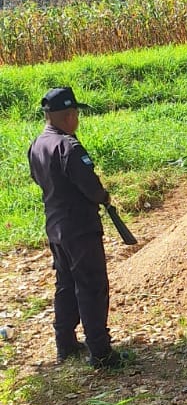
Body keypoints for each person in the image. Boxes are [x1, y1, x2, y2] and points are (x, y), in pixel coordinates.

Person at [28, 87, 125, 369]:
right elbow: (91, 189)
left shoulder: (37, 145)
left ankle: (66, 344)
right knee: (92, 286)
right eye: (76, 114)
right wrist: (105, 197)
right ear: (69, 116)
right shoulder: (68, 147)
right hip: (80, 228)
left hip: (56, 226)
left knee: (66, 284)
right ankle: (101, 353)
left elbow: (39, 179)